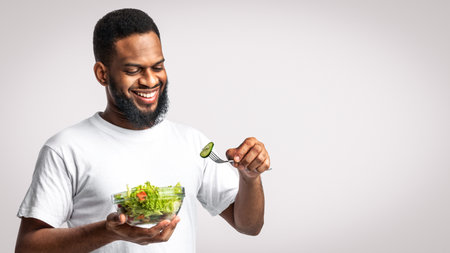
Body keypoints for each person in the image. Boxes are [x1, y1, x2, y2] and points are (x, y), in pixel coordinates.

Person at [15, 8, 270, 253]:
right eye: (133, 70)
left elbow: (248, 225)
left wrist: (249, 178)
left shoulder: (192, 143)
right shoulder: (65, 149)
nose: (150, 80)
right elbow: (28, 247)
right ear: (102, 74)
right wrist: (109, 231)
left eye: (157, 67)